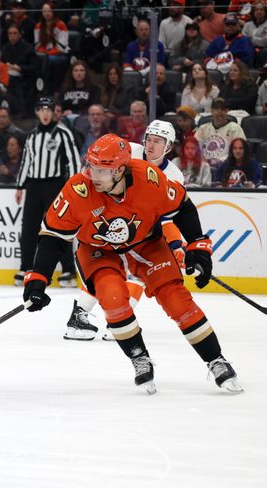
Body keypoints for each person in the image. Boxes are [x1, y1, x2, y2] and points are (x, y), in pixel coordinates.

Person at [23, 133, 242, 394]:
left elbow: (181, 206)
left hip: (146, 243)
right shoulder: (77, 189)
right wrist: (38, 278)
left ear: (120, 169)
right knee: (112, 296)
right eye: (91, 166)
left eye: (101, 169)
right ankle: (139, 357)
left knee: (176, 298)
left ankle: (215, 359)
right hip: (97, 250)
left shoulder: (148, 178)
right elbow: (52, 237)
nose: (93, 175)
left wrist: (198, 245)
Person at [64, 120, 185, 341]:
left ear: (168, 146)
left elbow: (166, 217)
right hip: (109, 221)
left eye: (157, 141)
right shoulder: (130, 152)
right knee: (105, 270)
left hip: (140, 228)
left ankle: (119, 322)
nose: (151, 145)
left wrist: (176, 244)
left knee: (139, 271)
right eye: (149, 139)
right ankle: (84, 318)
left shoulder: (174, 176)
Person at [15, 97, 82, 288]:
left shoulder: (63, 133)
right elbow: (26, 162)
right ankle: (26, 267)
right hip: (34, 186)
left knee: (59, 227)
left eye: (48, 110)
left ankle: (68, 270)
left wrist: (75, 187)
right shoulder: (32, 135)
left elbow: (73, 160)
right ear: (36, 112)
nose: (45, 113)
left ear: (53, 112)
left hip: (55, 184)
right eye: (41, 110)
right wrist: (20, 186)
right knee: (28, 228)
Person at [194, 98, 246, 172]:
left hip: (227, 167)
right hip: (203, 166)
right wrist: (203, 160)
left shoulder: (235, 129)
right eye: (216, 108)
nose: (219, 112)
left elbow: (241, 151)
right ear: (212, 111)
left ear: (227, 111)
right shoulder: (203, 128)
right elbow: (194, 147)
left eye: (222, 109)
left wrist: (221, 161)